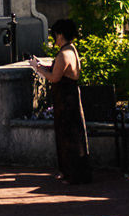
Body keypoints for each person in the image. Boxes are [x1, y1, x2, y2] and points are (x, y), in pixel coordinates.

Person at [27, 17, 91, 186]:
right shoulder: (71, 49)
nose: (53, 39)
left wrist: (37, 67)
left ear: (60, 35)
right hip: (68, 97)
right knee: (67, 135)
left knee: (69, 137)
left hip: (66, 100)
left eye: (54, 35)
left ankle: (74, 175)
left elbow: (54, 78)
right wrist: (42, 66)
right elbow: (59, 71)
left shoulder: (64, 53)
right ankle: (68, 172)